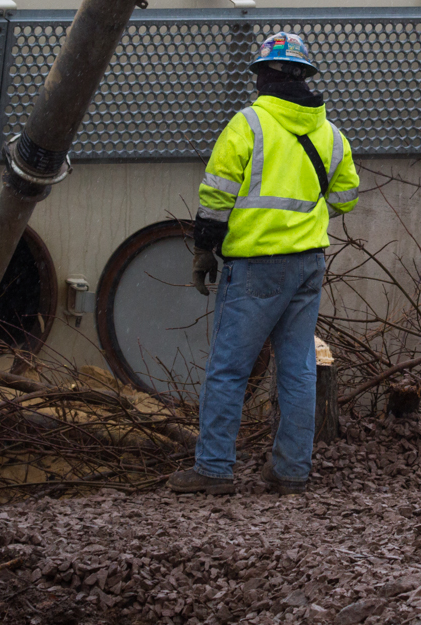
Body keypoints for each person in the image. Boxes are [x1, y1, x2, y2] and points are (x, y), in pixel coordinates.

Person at [167, 32, 360, 495]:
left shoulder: (248, 124)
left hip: (255, 266)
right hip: (309, 263)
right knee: (297, 369)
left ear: (265, 77)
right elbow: (346, 197)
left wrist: (204, 249)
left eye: (259, 73)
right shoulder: (330, 134)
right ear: (303, 76)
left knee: (229, 368)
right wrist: (305, 218)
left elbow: (216, 195)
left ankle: (213, 469)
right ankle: (292, 470)